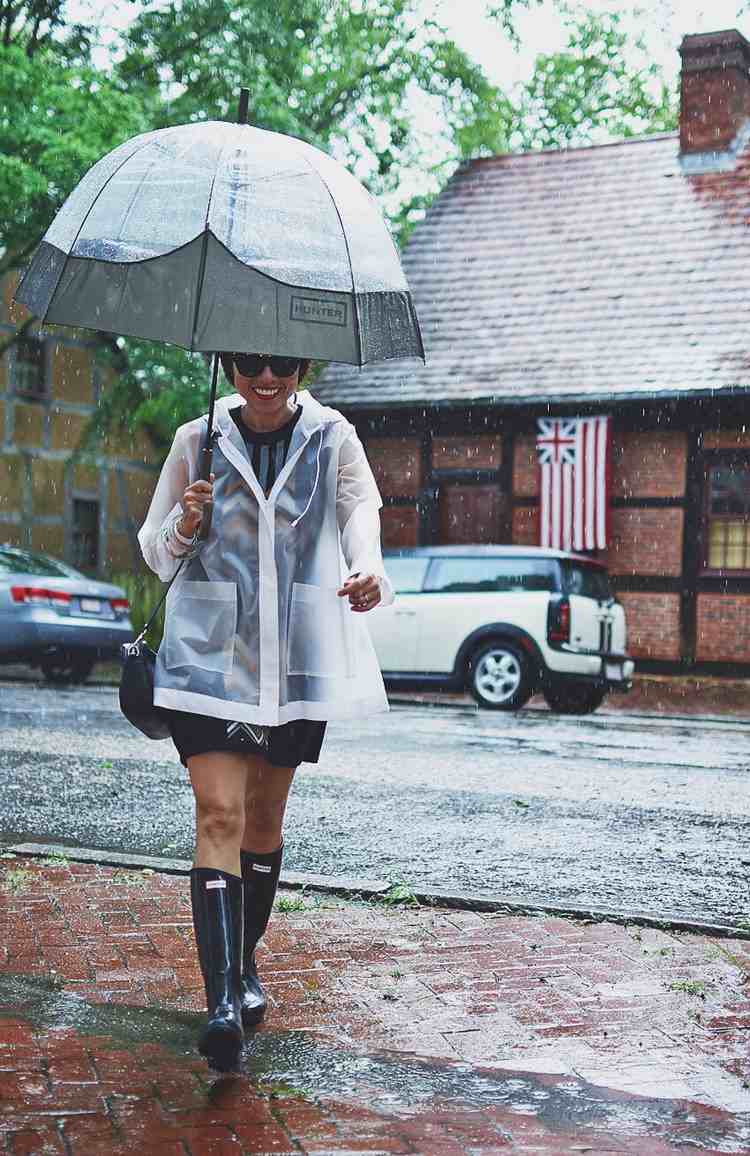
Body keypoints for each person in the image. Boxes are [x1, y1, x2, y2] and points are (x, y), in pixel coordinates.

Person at [138, 352, 393, 1072]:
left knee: (262, 821)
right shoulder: (197, 438)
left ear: (303, 364)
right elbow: (156, 555)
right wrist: (186, 524)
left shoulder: (333, 434)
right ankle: (222, 1002)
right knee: (217, 814)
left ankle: (242, 965)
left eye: (282, 364)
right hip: (209, 655)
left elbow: (358, 507)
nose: (267, 377)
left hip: (295, 655)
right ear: (229, 365)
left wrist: (367, 566)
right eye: (250, 364)